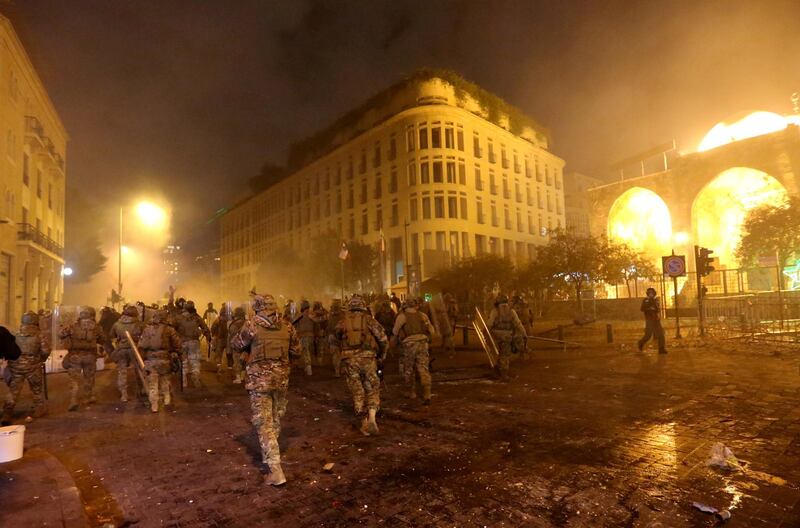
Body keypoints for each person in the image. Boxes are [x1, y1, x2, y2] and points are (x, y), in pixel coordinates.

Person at [231, 293, 298, 486]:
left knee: (264, 423)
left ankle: (275, 469)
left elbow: (236, 345)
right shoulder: (287, 326)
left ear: (257, 307)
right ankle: (271, 450)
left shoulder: (252, 325)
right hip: (281, 380)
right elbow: (297, 351)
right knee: (275, 419)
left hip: (260, 382)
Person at [334, 295, 388, 436]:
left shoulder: (342, 322)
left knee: (357, 390)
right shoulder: (370, 320)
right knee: (372, 387)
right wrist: (382, 355)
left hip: (350, 360)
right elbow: (383, 339)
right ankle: (372, 417)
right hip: (368, 359)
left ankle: (363, 422)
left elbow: (335, 338)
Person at [2, 312, 50, 424]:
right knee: (36, 390)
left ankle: (7, 413)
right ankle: (39, 410)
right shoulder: (40, 335)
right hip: (33, 367)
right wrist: (41, 359)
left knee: (13, 391)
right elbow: (46, 351)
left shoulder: (15, 333)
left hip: (16, 367)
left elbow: (9, 349)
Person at [60, 307, 105, 411]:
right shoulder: (97, 327)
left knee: (74, 379)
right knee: (89, 378)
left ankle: (73, 400)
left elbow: (61, 334)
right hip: (90, 357)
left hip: (75, 356)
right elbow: (103, 339)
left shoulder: (72, 326)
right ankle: (87, 397)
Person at [138, 309, 182, 413]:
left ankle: (154, 405)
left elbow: (142, 345)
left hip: (151, 360)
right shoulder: (169, 330)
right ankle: (167, 400)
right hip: (165, 360)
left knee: (153, 384)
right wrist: (177, 354)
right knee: (165, 380)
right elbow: (178, 344)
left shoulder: (147, 329)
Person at [392, 299, 435, 404]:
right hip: (423, 343)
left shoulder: (402, 316)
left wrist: (392, 346)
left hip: (409, 344)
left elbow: (395, 332)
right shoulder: (422, 315)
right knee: (423, 368)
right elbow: (432, 330)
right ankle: (427, 394)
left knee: (409, 368)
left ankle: (411, 392)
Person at [108, 305, 145, 402]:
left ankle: (124, 394)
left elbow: (112, 336)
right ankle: (142, 389)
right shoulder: (139, 324)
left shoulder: (117, 324)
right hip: (135, 350)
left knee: (122, 372)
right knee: (139, 370)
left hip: (121, 350)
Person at [487, 295, 527, 382]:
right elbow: (518, 324)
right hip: (507, 336)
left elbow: (489, 324)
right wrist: (524, 334)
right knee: (505, 355)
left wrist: (487, 334)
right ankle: (503, 374)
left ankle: (499, 372)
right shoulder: (511, 311)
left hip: (496, 336)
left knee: (496, 354)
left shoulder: (495, 311)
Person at [174, 300, 211, 388]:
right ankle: (195, 375)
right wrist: (208, 337)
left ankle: (184, 382)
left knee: (184, 362)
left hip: (182, 342)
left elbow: (172, 329)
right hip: (194, 342)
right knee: (195, 361)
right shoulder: (196, 317)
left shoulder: (178, 317)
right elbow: (205, 328)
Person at [638, 287, 667, 354]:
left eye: (652, 293)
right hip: (649, 320)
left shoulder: (656, 300)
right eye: (650, 293)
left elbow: (658, 309)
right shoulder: (646, 300)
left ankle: (661, 348)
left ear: (654, 293)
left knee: (661, 334)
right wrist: (649, 304)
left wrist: (653, 302)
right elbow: (642, 309)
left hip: (656, 319)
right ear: (648, 294)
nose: (651, 294)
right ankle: (641, 343)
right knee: (648, 335)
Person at [293, 300, 316, 376]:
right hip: (311, 336)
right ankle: (307, 367)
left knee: (303, 352)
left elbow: (292, 323)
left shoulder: (300, 315)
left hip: (303, 336)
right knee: (306, 351)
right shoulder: (312, 315)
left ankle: (308, 369)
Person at [227, 306, 247, 384]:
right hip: (247, 346)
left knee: (237, 362)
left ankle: (238, 378)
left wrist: (230, 348)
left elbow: (231, 337)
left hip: (237, 346)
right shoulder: (247, 323)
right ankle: (243, 377)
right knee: (245, 361)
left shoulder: (233, 324)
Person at [327, 299, 345, 377]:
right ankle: (343, 370)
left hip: (332, 336)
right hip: (343, 336)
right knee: (343, 354)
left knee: (335, 355)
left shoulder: (330, 315)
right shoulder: (343, 314)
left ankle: (337, 372)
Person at [210, 308, 230, 374]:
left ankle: (219, 367)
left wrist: (214, 336)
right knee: (229, 354)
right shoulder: (230, 320)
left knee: (218, 354)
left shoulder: (218, 320)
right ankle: (230, 368)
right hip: (228, 340)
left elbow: (212, 329)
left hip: (220, 339)